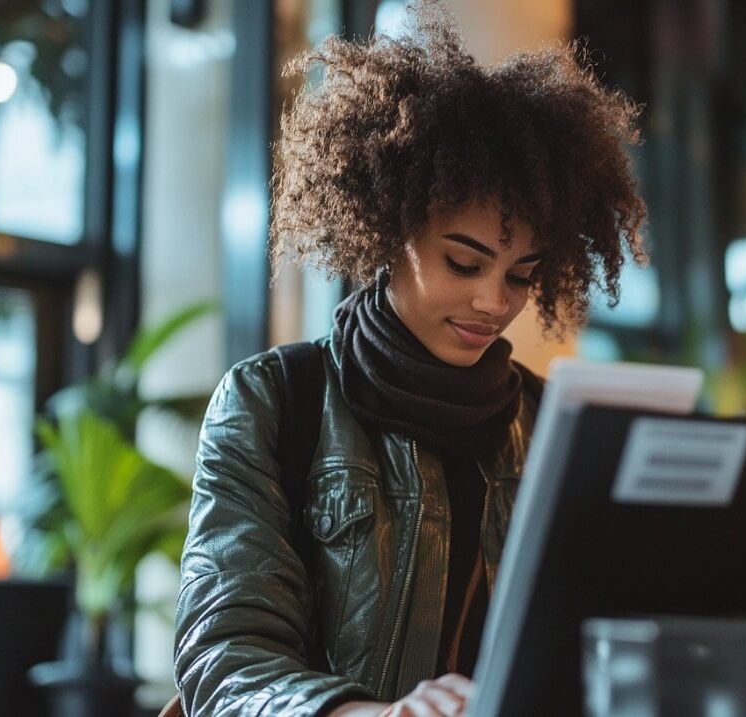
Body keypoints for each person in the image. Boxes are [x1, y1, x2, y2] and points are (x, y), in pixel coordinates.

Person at [174, 3, 647, 715]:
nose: (494, 300)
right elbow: (225, 652)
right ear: (389, 233)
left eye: (521, 274)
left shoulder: (552, 422)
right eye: (464, 261)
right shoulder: (274, 402)